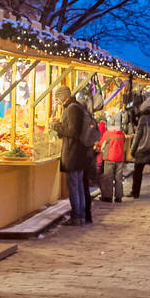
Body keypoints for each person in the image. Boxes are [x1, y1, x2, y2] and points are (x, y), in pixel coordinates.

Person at [51, 85, 92, 225]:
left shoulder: (72, 109)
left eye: (57, 98)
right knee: (78, 184)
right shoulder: (75, 107)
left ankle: (77, 215)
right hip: (78, 153)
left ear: (63, 96)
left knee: (74, 185)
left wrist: (56, 126)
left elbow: (72, 131)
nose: (57, 101)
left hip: (73, 153)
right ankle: (80, 215)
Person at [128, 95, 150, 199]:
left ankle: (135, 192)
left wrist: (133, 149)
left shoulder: (143, 119)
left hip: (143, 149)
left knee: (138, 172)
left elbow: (138, 136)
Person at [98, 110, 126, 203]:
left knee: (108, 178)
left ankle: (107, 197)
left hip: (109, 158)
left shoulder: (108, 134)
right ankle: (118, 197)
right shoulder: (121, 133)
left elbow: (101, 143)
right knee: (118, 178)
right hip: (120, 158)